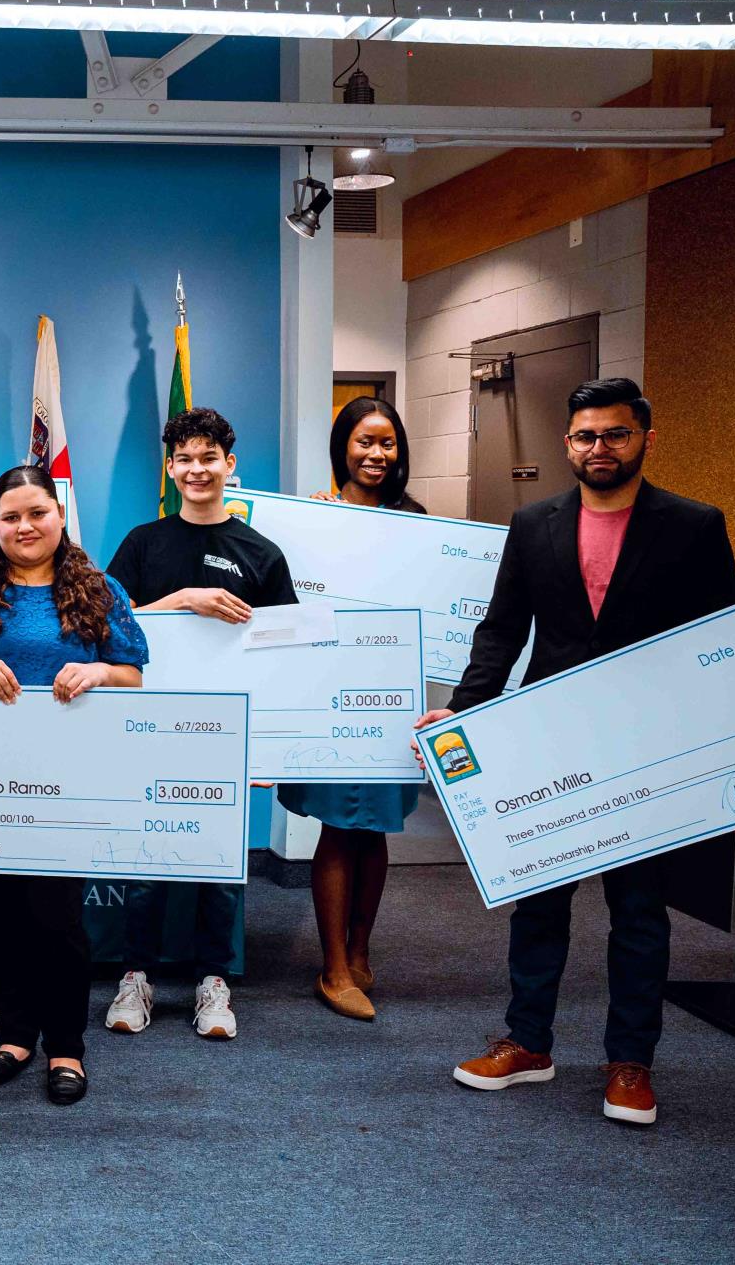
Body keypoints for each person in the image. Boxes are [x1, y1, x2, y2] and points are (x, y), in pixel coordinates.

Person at [414, 378, 735, 1126]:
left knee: (639, 909)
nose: (600, 448)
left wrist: (733, 767)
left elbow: (720, 648)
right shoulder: (534, 524)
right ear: (567, 444)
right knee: (538, 901)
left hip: (647, 746)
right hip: (549, 742)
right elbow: (501, 629)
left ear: (645, 439)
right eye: (586, 436)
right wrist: (461, 712)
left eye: (615, 434)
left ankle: (631, 1061)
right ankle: (528, 1041)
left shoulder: (694, 525)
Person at [0, 466, 148, 1105]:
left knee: (57, 920)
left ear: (59, 515)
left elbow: (134, 676)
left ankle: (66, 1045)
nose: (25, 526)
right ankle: (16, 1034)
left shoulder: (99, 589)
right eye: (11, 517)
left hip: (68, 782)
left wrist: (98, 673)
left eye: (37, 513)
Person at [102, 408, 297, 1041]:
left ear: (229, 465)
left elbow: (283, 655)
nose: (197, 469)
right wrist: (184, 601)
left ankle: (214, 981)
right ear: (170, 468)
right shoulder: (143, 543)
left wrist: (271, 749)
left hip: (226, 734)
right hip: (149, 726)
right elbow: (110, 627)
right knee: (146, 860)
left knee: (220, 865)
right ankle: (136, 976)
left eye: (209, 457)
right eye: (184, 458)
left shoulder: (261, 553)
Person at [279, 397, 426, 1021]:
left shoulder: (418, 524)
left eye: (388, 443)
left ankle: (360, 952)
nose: (377, 454)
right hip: (331, 695)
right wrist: (317, 530)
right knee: (339, 825)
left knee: (376, 828)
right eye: (365, 441)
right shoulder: (314, 520)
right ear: (343, 446)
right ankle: (333, 967)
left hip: (392, 698)